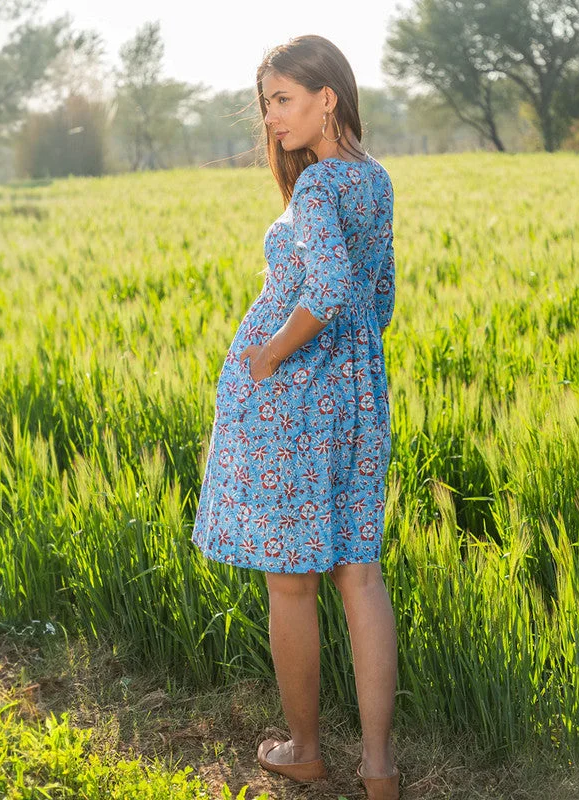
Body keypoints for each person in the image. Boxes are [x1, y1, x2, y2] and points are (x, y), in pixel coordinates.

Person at [191, 34, 399, 800]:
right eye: (267, 102)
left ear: (326, 98)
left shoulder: (315, 188)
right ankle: (380, 768)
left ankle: (306, 748)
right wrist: (353, 367)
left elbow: (334, 287)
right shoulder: (374, 179)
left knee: (292, 584)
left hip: (294, 398)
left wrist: (271, 354)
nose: (272, 118)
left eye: (283, 100)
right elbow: (379, 298)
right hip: (357, 390)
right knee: (361, 574)